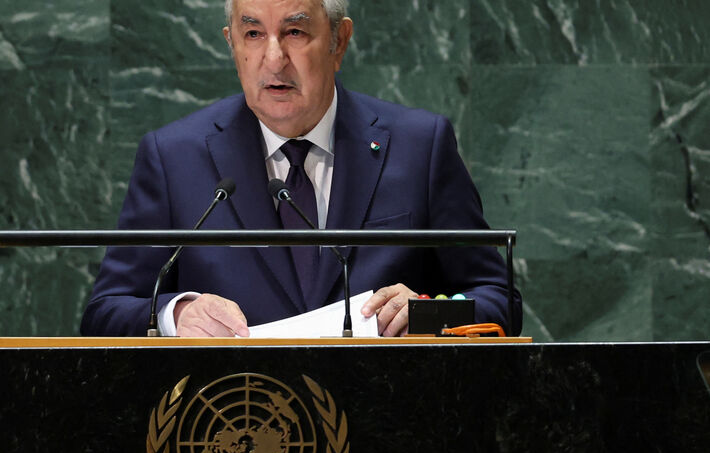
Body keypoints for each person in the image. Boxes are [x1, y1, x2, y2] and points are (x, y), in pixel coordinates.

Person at [81, 0, 522, 337]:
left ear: (339, 41)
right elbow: (105, 311)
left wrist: (429, 313)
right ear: (231, 43)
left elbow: (498, 300)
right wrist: (175, 314)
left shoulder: (419, 147)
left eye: (294, 31)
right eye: (252, 34)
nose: (273, 59)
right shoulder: (173, 157)